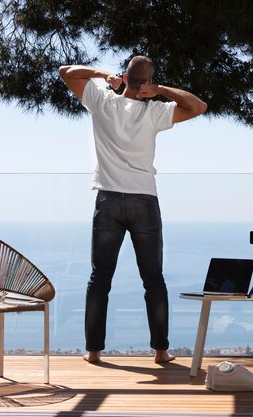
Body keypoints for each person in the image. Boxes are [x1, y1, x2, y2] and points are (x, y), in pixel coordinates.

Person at [59, 56, 207, 364]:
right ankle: (161, 351)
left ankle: (94, 352)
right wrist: (160, 90)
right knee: (153, 278)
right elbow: (198, 106)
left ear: (125, 77)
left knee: (100, 278)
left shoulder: (102, 100)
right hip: (143, 201)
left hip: (108, 200)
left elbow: (66, 73)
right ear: (148, 81)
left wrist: (102, 74)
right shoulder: (154, 111)